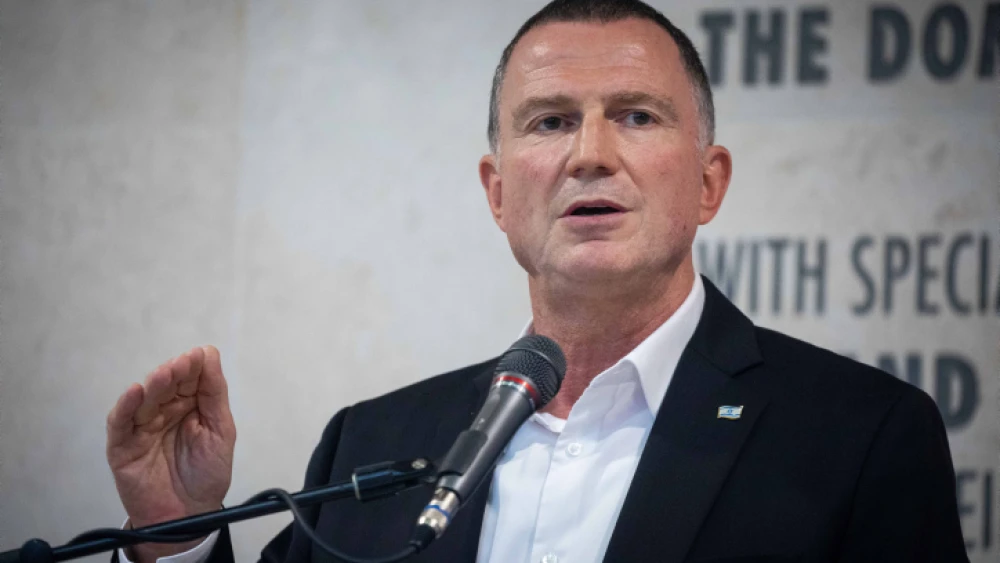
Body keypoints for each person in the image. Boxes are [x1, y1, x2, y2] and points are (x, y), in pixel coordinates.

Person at [105, 1, 969, 562]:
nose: (590, 153)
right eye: (551, 121)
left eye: (635, 115)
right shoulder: (369, 444)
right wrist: (178, 530)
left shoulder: (861, 436)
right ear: (498, 192)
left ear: (709, 182)